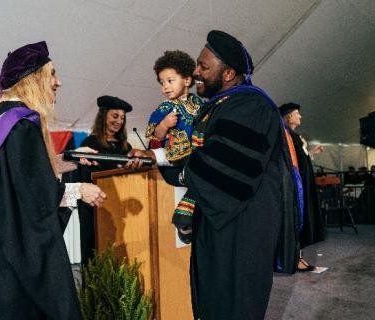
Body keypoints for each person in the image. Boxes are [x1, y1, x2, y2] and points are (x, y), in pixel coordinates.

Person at [127, 30, 300, 319]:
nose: (196, 72)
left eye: (204, 67)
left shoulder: (249, 105)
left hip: (241, 231)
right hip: (222, 224)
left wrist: (170, 166)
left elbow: (222, 170)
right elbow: (200, 159)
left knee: (232, 306)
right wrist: (155, 155)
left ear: (229, 72)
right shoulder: (222, 106)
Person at [0, 41, 106, 319]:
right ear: (33, 79)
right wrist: (79, 190)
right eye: (52, 74)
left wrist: (69, 159)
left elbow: (19, 174)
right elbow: (35, 200)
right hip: (4, 275)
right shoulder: (20, 124)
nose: (58, 82)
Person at [145, 50, 204, 243]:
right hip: (177, 161)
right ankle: (184, 223)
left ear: (187, 80)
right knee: (198, 179)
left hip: (197, 156)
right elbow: (155, 134)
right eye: (162, 83)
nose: (165, 87)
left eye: (170, 81)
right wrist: (164, 125)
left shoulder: (199, 103)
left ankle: (185, 224)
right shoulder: (164, 108)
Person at [77, 95, 133, 265]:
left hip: (121, 208)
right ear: (103, 116)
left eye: (122, 118)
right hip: (96, 209)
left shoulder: (125, 146)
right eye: (115, 116)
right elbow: (84, 177)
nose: (119, 121)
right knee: (96, 252)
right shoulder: (91, 143)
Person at [280, 102, 326, 272]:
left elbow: (301, 160)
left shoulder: (294, 136)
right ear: (289, 116)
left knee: (301, 218)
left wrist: (310, 152)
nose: (300, 116)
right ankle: (294, 258)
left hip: (302, 185)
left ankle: (298, 257)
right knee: (296, 219)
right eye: (297, 113)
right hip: (295, 186)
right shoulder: (287, 136)